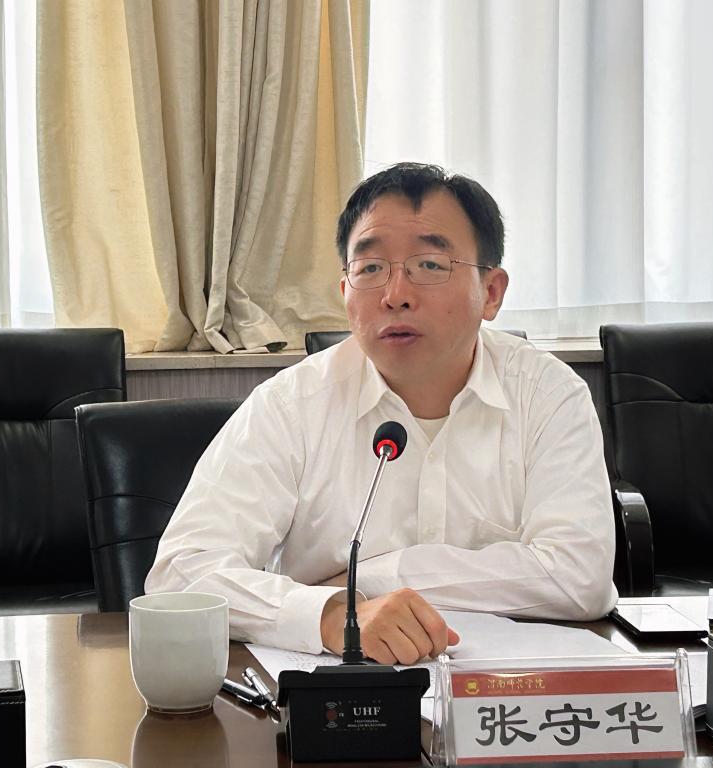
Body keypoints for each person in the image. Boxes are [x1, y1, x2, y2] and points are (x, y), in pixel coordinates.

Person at [146, 162, 617, 664]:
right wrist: (329, 617)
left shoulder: (548, 395)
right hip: (337, 693)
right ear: (345, 293)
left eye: (430, 266)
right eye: (370, 269)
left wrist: (365, 580)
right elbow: (181, 574)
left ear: (491, 292)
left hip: (508, 693)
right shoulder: (290, 405)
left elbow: (579, 576)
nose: (396, 296)